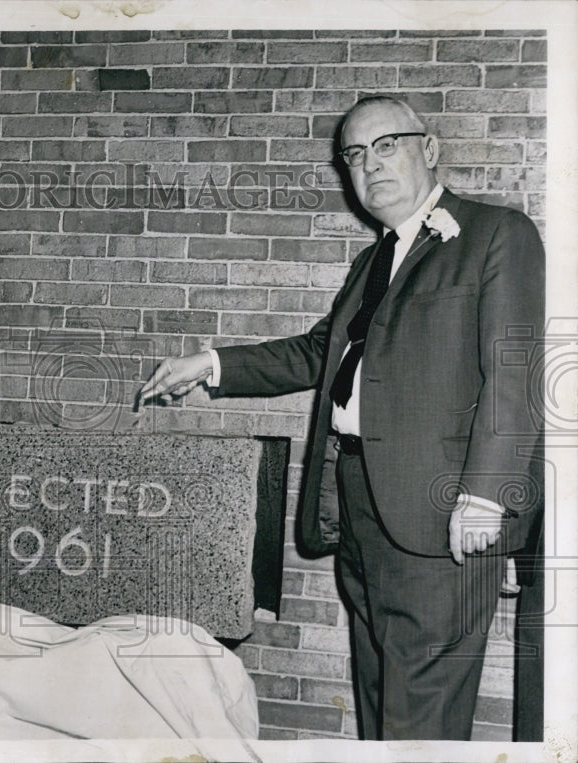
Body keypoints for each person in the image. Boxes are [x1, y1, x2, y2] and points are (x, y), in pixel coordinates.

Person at [137, 95, 544, 740]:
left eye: (388, 146)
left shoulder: (497, 234)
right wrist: (212, 364)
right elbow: (318, 352)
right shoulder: (374, 260)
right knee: (381, 695)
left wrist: (486, 497)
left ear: (430, 149)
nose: (370, 166)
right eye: (355, 155)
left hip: (443, 515)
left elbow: (515, 371)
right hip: (359, 506)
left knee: (424, 717)